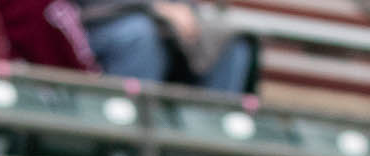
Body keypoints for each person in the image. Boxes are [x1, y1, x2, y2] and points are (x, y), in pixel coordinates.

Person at [81, 1, 258, 94]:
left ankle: (212, 141)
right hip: (101, 22)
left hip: (162, 26)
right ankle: (129, 137)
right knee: (141, 33)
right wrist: (155, 7)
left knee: (232, 43)